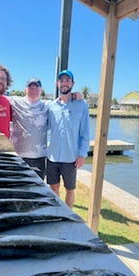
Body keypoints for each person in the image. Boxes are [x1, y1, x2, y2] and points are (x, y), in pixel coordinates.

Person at [46, 69, 90, 209]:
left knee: (70, 189)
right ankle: (58, 212)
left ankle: (68, 215)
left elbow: (85, 132)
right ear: (57, 84)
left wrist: (82, 154)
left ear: (72, 83)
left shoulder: (81, 105)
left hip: (71, 156)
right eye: (61, 80)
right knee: (53, 188)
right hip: (52, 156)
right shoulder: (51, 106)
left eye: (67, 80)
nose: (64, 83)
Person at [9, 78, 47, 179]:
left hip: (38, 157)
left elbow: (63, 102)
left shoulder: (47, 106)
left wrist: (76, 95)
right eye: (30, 88)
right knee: (15, 187)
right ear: (25, 89)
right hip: (18, 156)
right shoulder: (15, 101)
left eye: (36, 88)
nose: (33, 91)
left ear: (41, 90)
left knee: (37, 189)